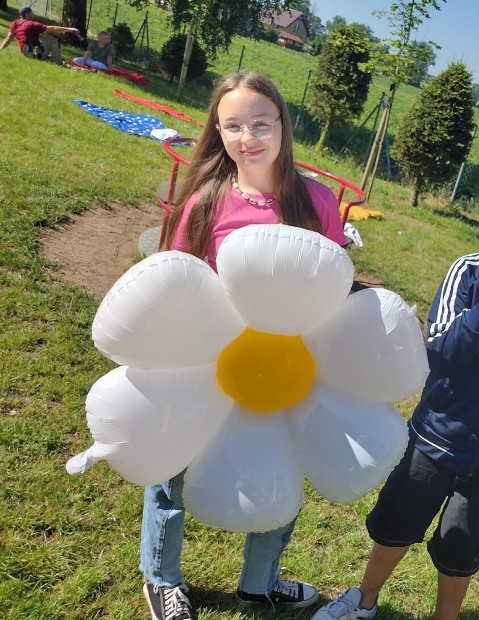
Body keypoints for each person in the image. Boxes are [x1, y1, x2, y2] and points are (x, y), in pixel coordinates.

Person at [311, 158, 479, 620]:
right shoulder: (471, 272)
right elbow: (438, 356)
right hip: (436, 437)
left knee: (462, 547)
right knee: (395, 525)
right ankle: (365, 599)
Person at [145, 71, 347, 620]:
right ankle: (162, 577)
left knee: (279, 471)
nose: (248, 136)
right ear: (218, 131)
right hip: (209, 364)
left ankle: (259, 584)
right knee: (173, 467)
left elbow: (333, 289)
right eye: (232, 125)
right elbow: (178, 283)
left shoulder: (317, 203)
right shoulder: (206, 203)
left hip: (282, 369)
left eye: (261, 122)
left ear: (283, 124)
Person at [0, 6, 79, 64]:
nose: (33, 14)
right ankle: (58, 62)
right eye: (31, 12)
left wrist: (1, 49)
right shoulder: (32, 24)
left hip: (25, 53)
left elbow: (9, 38)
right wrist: (70, 29)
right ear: (27, 14)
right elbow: (52, 28)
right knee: (53, 39)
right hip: (34, 54)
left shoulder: (15, 23)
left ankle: (51, 59)